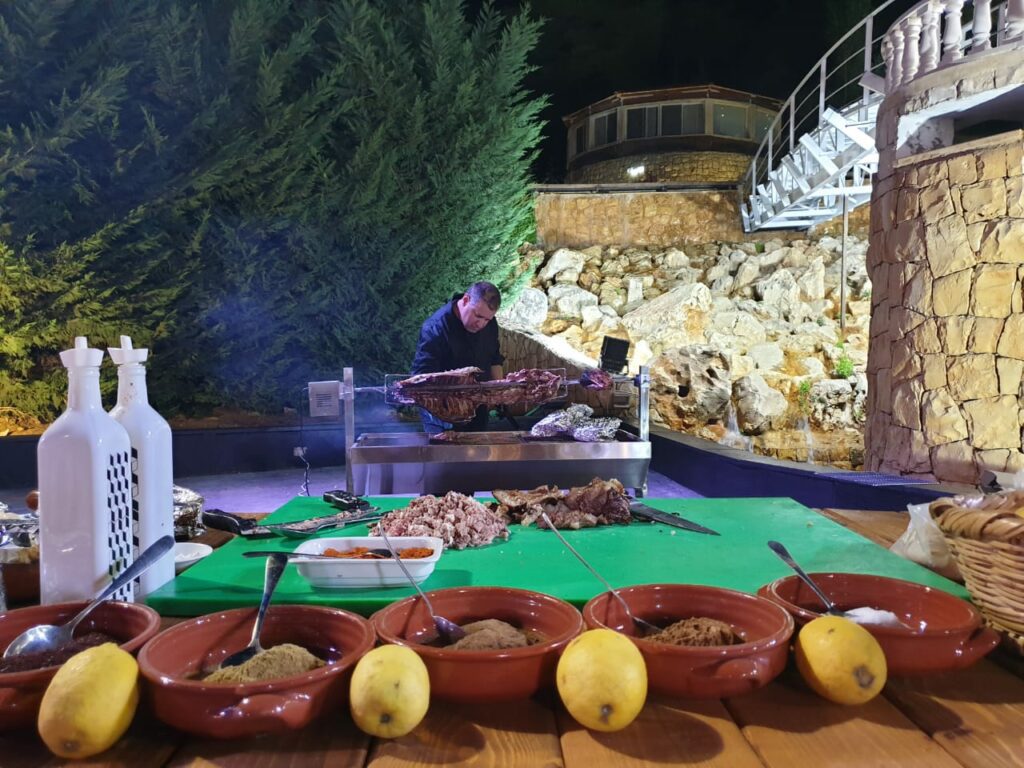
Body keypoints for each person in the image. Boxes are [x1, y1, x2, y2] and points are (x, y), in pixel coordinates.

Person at [411, 282, 504, 433]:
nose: (481, 324)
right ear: (466, 300)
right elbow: (422, 377)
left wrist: (499, 391)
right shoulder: (436, 327)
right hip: (441, 415)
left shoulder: (490, 323)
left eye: (487, 319)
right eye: (478, 316)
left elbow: (495, 358)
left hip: (478, 410)